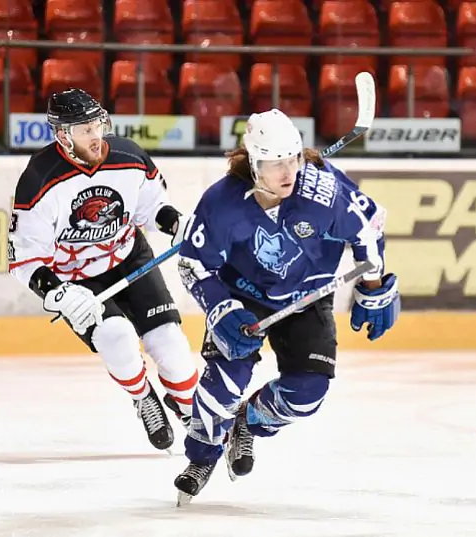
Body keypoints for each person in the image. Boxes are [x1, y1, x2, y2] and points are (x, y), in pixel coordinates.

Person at [172, 108, 401, 503]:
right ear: (254, 162)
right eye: (275, 163)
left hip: (306, 299)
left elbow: (367, 227)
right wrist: (220, 309)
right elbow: (193, 264)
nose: (287, 172)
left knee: (308, 393)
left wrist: (374, 284)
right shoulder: (222, 203)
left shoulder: (324, 193)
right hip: (242, 297)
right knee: (220, 389)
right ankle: (202, 456)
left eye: (292, 159)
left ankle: (247, 421)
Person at [7, 88, 199, 451]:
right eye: (85, 129)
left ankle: (188, 407)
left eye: (97, 123)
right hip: (77, 278)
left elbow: (153, 207)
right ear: (63, 135)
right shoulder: (38, 181)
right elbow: (25, 258)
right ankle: (144, 397)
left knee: (171, 345)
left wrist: (177, 224)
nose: (96, 135)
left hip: (128, 256)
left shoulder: (129, 157)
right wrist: (58, 292)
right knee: (117, 338)